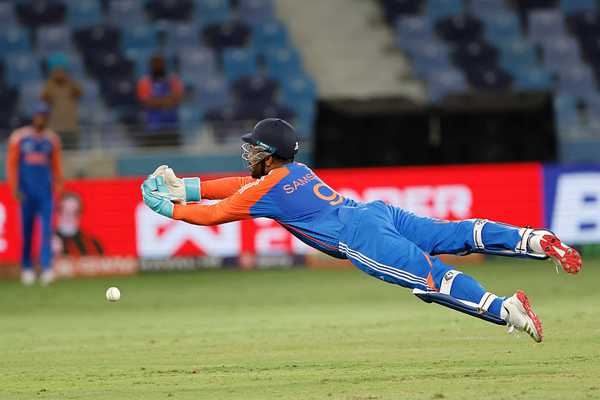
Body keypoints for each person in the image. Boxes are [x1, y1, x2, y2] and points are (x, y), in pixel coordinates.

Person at [140, 118, 583, 343]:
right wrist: (188, 187)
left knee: (431, 280)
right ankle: (532, 239)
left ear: (270, 155)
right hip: (376, 213)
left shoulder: (267, 189)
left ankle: (507, 310)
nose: (250, 155)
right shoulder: (296, 171)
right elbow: (243, 185)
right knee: (454, 235)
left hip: (360, 237)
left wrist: (170, 208)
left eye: (255, 149)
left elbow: (215, 215)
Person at [6, 102, 63, 286]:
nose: (41, 118)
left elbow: (56, 166)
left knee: (47, 231)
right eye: (39, 114)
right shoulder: (20, 137)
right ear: (34, 116)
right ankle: (27, 267)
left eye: (45, 115)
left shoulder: (52, 140)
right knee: (26, 231)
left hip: (45, 194)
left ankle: (46, 268)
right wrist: (14, 187)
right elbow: (12, 165)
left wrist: (58, 187)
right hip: (26, 193)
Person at [136, 55, 183, 147]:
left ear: (164, 64)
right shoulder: (144, 82)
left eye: (160, 63)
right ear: (151, 65)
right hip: (152, 128)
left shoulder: (173, 80)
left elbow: (177, 98)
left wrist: (157, 102)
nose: (158, 66)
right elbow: (147, 102)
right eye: (155, 64)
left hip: (172, 127)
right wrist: (166, 101)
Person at [41, 53, 82, 150]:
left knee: (73, 156)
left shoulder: (71, 85)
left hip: (71, 129)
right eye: (56, 71)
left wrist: (69, 80)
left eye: (62, 70)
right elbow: (43, 98)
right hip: (54, 129)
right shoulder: (49, 86)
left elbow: (80, 92)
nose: (59, 73)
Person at [53, 192, 104, 257]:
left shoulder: (93, 244)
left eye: (74, 212)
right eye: (64, 211)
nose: (68, 216)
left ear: (80, 215)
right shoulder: (46, 242)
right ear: (57, 213)